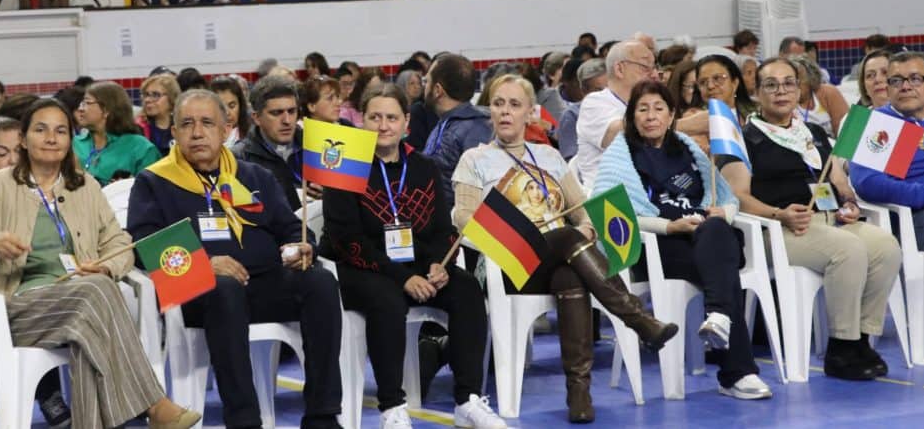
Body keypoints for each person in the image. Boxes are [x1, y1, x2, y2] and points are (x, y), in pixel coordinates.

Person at [0, 99, 200, 429]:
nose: (51, 138)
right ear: (23, 139)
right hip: (17, 309)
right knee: (95, 295)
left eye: (61, 131)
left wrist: (106, 267)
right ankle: (155, 404)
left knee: (90, 310)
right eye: (41, 130)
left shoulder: (85, 185)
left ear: (69, 140)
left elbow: (119, 244)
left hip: (82, 302)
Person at [450, 75, 676, 423]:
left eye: (514, 104)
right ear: (489, 111)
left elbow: (582, 209)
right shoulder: (474, 158)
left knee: (571, 274)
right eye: (498, 104)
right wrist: (514, 233)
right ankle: (638, 318)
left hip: (556, 260)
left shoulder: (549, 156)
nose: (505, 112)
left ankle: (579, 393)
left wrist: (586, 226)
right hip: (506, 262)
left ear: (530, 112)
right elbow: (464, 217)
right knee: (568, 239)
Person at [127, 89, 343, 429]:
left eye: (207, 123)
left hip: (265, 282)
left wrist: (301, 247)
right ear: (175, 131)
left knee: (320, 281)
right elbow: (144, 244)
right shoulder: (154, 181)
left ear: (226, 129)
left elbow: (290, 228)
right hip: (199, 291)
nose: (197, 133)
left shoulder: (254, 176)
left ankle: (323, 415)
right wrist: (204, 263)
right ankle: (244, 420)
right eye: (187, 124)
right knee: (224, 287)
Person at [321, 84, 505, 428]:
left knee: (466, 288)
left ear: (406, 122)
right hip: (361, 267)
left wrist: (439, 264)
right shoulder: (344, 167)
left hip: (418, 265)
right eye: (375, 117)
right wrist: (404, 278)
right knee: (388, 299)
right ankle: (392, 406)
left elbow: (442, 229)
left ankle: (467, 399)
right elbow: (347, 240)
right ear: (362, 121)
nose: (383, 125)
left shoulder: (424, 167)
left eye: (392, 118)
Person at [720, 57, 901, 381]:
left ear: (799, 89)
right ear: (757, 92)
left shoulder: (812, 132)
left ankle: (862, 338)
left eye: (788, 83)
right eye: (771, 85)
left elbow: (836, 182)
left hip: (829, 219)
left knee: (885, 246)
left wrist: (848, 203)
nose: (781, 91)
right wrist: (779, 214)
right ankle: (841, 346)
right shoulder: (744, 139)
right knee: (848, 249)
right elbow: (737, 196)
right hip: (779, 229)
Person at [592, 81, 771, 400]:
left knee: (715, 230)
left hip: (708, 237)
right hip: (659, 246)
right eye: (642, 109)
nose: (651, 116)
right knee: (722, 269)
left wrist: (724, 213)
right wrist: (668, 226)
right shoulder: (620, 155)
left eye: (658, 108)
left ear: (671, 114)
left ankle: (719, 320)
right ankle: (736, 370)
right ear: (632, 117)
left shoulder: (688, 149)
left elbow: (728, 200)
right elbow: (611, 218)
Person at [572, 41, 708, 185]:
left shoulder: (648, 103)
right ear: (619, 69)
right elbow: (619, 135)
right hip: (613, 193)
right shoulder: (595, 102)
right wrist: (687, 125)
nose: (654, 75)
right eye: (646, 67)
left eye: (655, 67)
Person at [851, 51, 924, 249]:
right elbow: (867, 183)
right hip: (915, 213)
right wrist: (923, 194)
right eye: (896, 81)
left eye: (915, 79)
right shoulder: (879, 122)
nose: (905, 87)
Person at [232, 75, 317, 210]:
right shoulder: (239, 158)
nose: (287, 121)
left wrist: (330, 195)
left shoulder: (317, 146)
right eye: (277, 113)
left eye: (291, 111)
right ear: (257, 118)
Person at [422, 53, 492, 204]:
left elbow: (486, 188)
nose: (424, 86)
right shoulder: (445, 122)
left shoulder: (476, 128)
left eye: (426, 81)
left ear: (437, 90)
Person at [73, 81, 161, 184]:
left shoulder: (142, 149)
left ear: (106, 110)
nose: (80, 109)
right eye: (82, 103)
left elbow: (153, 189)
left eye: (87, 103)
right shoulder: (74, 144)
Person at [790, 55, 849, 136]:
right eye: (790, 81)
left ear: (811, 78)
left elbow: (846, 132)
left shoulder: (828, 92)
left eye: (800, 79)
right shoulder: (784, 100)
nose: (796, 84)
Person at [137, 74, 182, 156]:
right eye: (146, 95)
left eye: (155, 95)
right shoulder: (138, 129)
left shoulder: (182, 125)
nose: (147, 100)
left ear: (171, 98)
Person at [211, 76, 251, 146]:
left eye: (232, 106)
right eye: (221, 108)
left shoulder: (252, 137)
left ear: (240, 105)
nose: (227, 113)